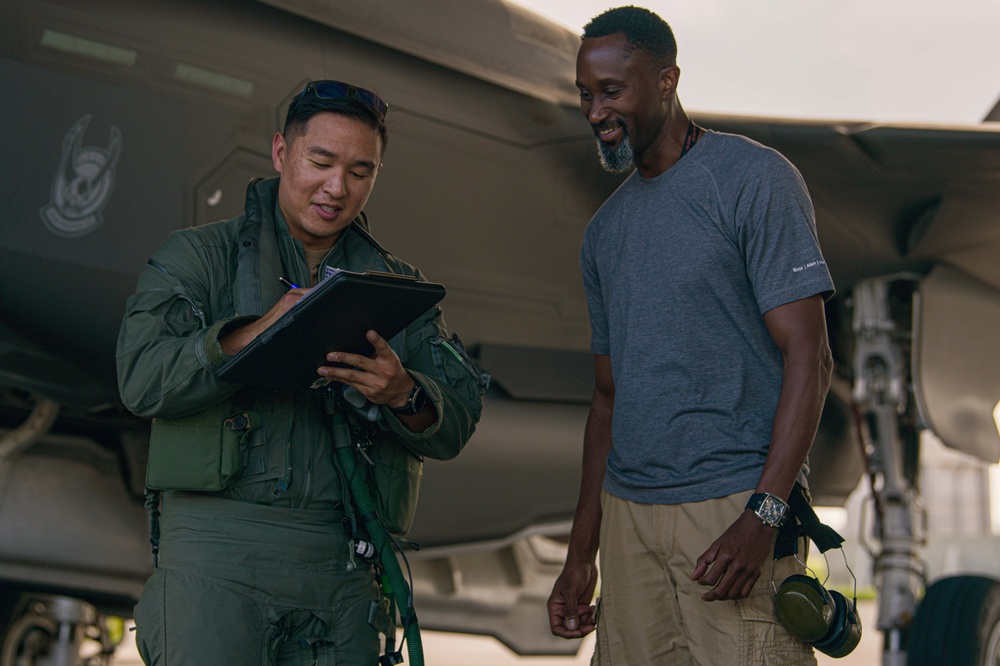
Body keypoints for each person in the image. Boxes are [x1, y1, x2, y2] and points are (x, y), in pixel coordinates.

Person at [117, 80, 486, 665]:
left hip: (340, 565)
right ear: (281, 153)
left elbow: (455, 422)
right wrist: (256, 333)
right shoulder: (197, 259)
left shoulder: (397, 288)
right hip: (217, 558)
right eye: (320, 161)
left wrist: (402, 391)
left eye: (361, 172)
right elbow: (141, 380)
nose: (337, 188)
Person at [547, 7, 835, 665]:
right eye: (585, 95)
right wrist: (578, 556)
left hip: (731, 509)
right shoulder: (604, 233)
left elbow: (809, 357)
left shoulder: (753, 180)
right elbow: (606, 401)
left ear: (667, 80)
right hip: (629, 519)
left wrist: (764, 515)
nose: (595, 111)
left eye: (612, 91)